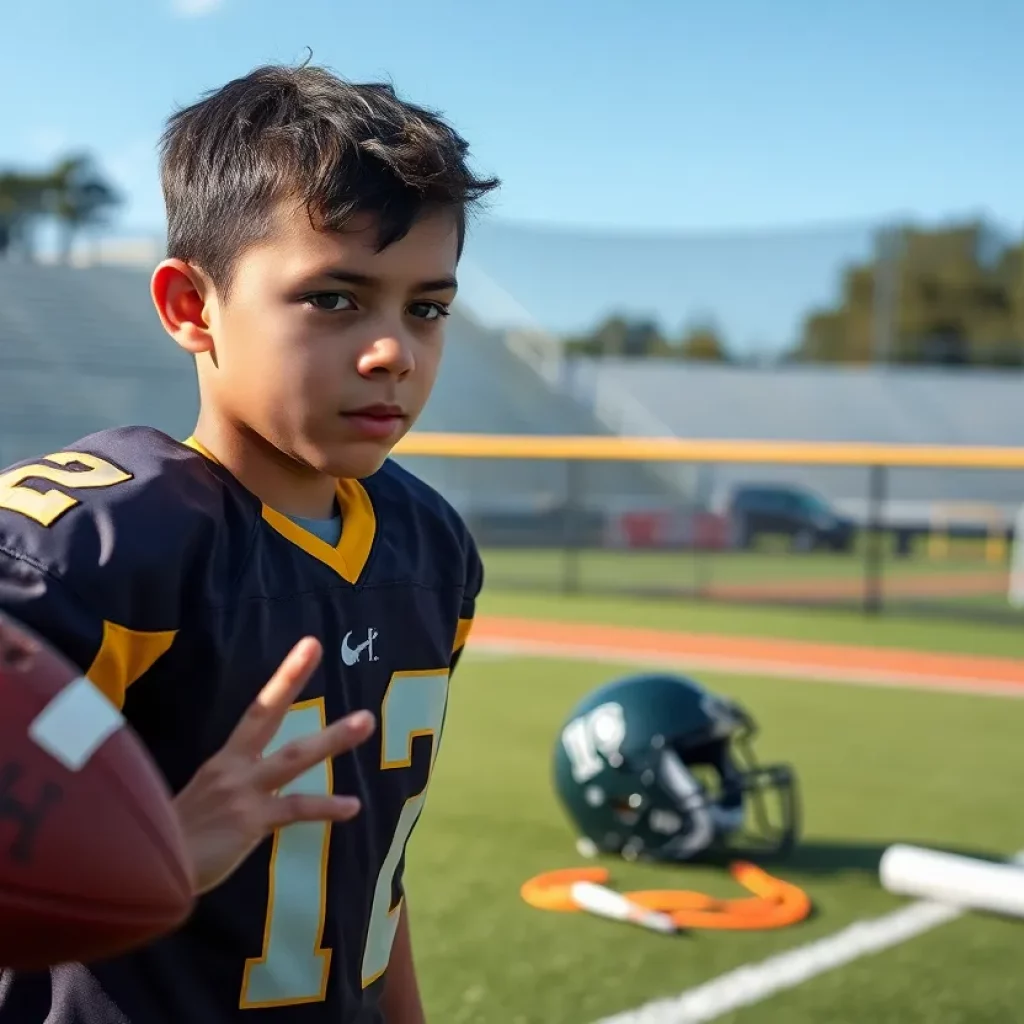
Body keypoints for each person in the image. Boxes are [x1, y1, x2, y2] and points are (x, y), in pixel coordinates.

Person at [0, 61, 499, 1022]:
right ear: (193, 307)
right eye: (335, 298)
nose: (394, 348)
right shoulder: (98, 548)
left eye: (426, 308)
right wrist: (154, 854)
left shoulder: (429, 548)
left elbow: (372, 887)